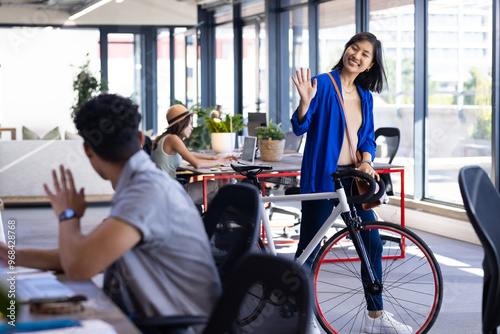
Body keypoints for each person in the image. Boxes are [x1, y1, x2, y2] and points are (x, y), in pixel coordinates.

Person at [0, 94, 221, 326]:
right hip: (162, 319)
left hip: (181, 328)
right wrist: (8, 254)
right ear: (139, 139)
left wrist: (68, 216)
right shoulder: (140, 184)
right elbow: (85, 254)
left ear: (87, 150)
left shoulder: (145, 192)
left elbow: (79, 267)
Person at [291, 32, 412, 334]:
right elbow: (299, 125)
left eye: (364, 54)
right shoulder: (322, 83)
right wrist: (305, 102)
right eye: (353, 48)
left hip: (353, 181)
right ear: (346, 50)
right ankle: (298, 316)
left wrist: (367, 160)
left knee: (371, 242)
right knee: (309, 248)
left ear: (370, 64)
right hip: (322, 178)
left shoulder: (365, 96)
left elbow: (367, 136)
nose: (356, 55)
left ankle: (377, 312)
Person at [151, 104, 237, 206]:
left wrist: (212, 158)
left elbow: (189, 154)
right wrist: (219, 161)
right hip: (171, 195)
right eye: (190, 124)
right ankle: (214, 219)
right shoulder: (172, 139)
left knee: (216, 192)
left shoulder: (166, 138)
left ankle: (207, 219)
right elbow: (197, 164)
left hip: (164, 192)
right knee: (216, 186)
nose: (191, 128)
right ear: (181, 124)